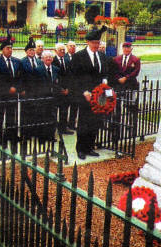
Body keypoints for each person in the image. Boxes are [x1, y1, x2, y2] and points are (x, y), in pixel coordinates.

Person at [69, 26, 109, 160]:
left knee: (95, 122)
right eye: (94, 43)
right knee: (84, 122)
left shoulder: (102, 56)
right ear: (88, 42)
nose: (96, 45)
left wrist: (104, 85)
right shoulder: (78, 56)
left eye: (98, 43)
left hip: (99, 96)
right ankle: (81, 148)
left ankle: (90, 146)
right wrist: (84, 91)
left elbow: (104, 74)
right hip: (85, 95)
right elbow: (74, 78)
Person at [0, 32, 23, 143]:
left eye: (11, 48)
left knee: (12, 115)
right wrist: (8, 88)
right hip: (2, 94)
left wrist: (16, 88)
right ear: (2, 50)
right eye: (7, 48)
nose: (10, 50)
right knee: (0, 116)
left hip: (13, 94)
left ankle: (11, 135)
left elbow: (20, 77)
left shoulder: (17, 62)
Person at [33, 50, 60, 142]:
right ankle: (42, 137)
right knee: (42, 117)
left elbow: (57, 83)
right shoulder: (38, 70)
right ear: (42, 59)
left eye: (50, 57)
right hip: (43, 98)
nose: (48, 58)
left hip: (53, 98)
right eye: (46, 57)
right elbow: (35, 86)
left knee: (52, 117)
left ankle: (51, 136)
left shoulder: (56, 69)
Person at [52, 43, 73, 135]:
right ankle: (53, 129)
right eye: (60, 50)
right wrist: (60, 89)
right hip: (57, 90)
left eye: (64, 50)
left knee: (64, 110)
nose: (63, 51)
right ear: (56, 51)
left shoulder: (67, 60)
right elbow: (53, 78)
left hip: (66, 90)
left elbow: (70, 75)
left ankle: (63, 128)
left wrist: (68, 88)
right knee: (54, 111)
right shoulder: (53, 61)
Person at [65, 41, 77, 130]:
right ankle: (63, 125)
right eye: (70, 46)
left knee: (74, 106)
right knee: (65, 107)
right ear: (67, 47)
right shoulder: (64, 57)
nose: (72, 47)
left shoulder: (78, 57)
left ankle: (72, 124)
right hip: (67, 87)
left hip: (76, 87)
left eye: (74, 46)